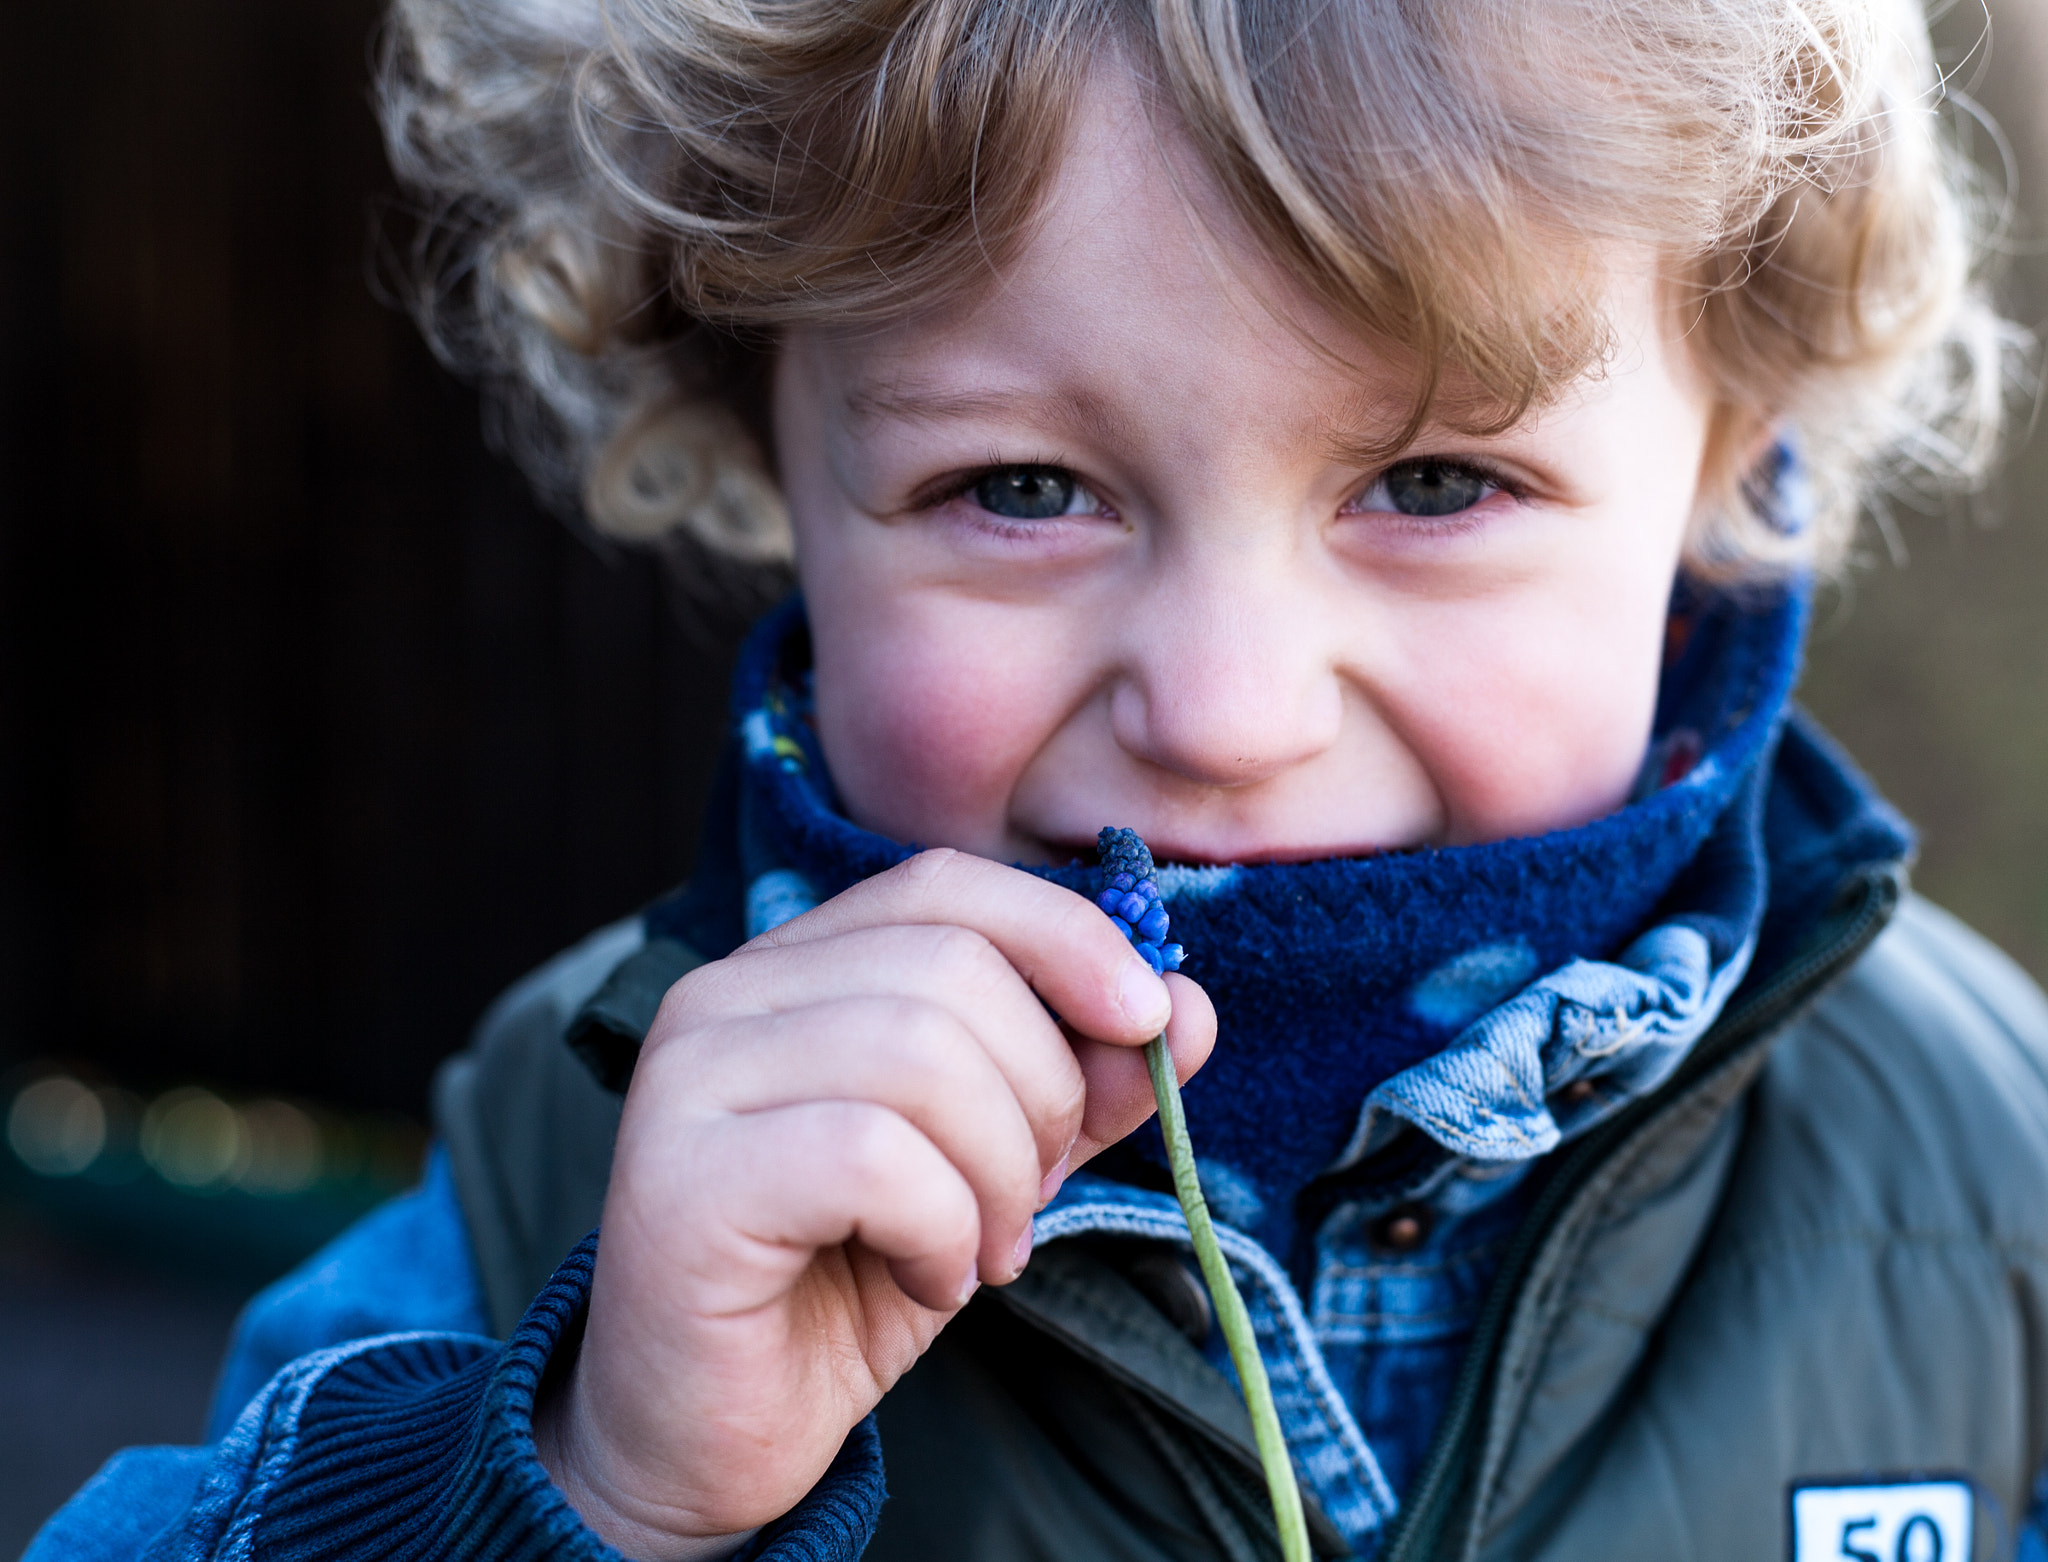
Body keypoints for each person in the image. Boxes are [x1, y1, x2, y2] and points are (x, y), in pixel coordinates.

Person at [29, 0, 2048, 1558]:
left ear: (1731, 459)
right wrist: (594, 1480)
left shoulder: (1991, 1172)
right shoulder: (574, 1173)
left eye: (1434, 482)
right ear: (758, 447)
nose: (1231, 710)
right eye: (1018, 488)